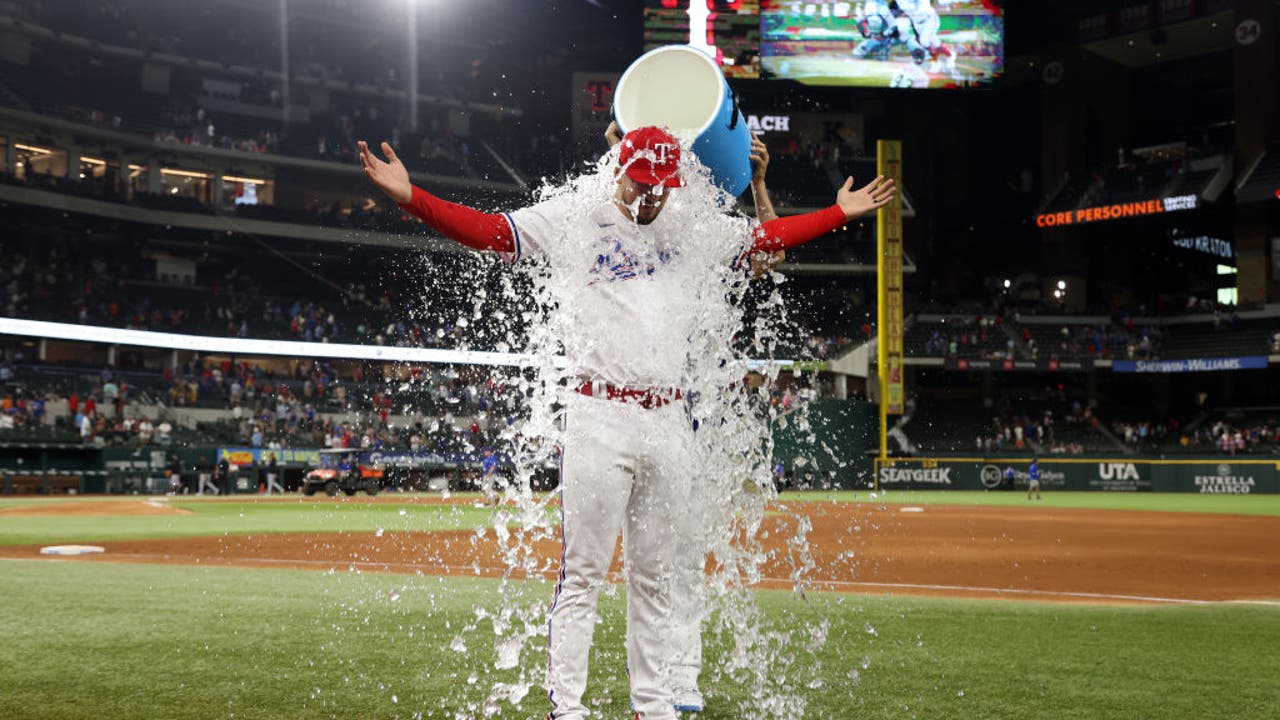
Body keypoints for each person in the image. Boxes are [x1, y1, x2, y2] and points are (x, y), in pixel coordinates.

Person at [358, 125, 893, 720]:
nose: (653, 197)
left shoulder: (688, 224)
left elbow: (766, 239)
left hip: (667, 417)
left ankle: (655, 704)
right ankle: (569, 707)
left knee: (655, 578)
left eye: (662, 187)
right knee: (582, 574)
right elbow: (489, 231)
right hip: (599, 413)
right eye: (642, 184)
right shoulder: (574, 215)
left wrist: (837, 214)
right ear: (620, 170)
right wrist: (412, 197)